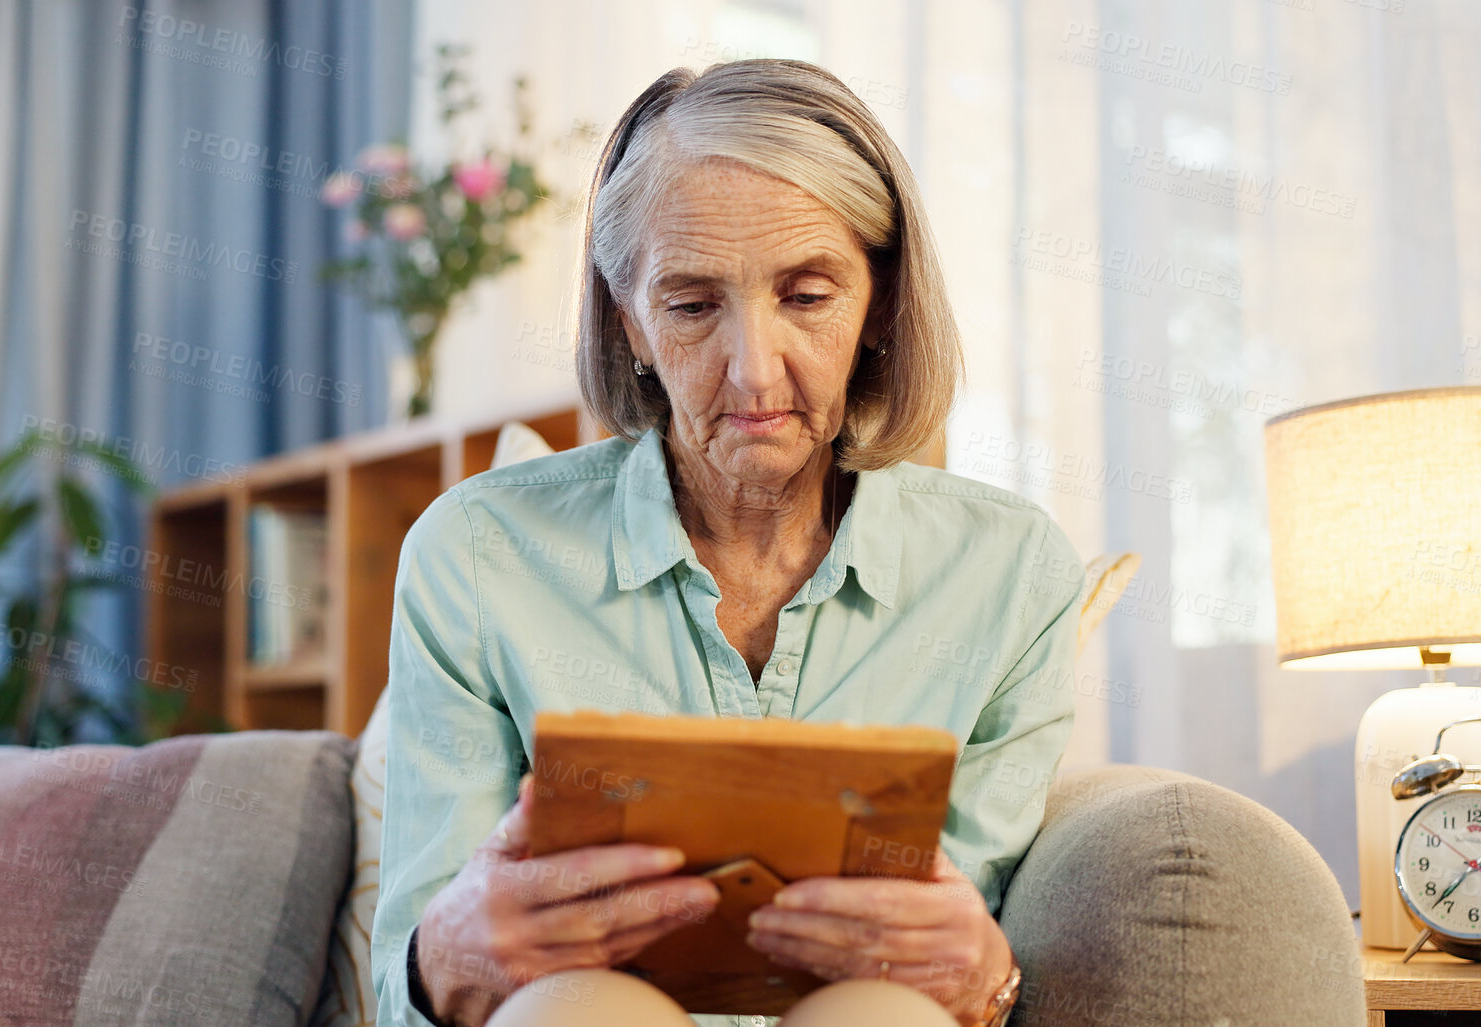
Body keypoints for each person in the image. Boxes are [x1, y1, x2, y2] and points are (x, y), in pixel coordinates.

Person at [372, 58, 1084, 1027]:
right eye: (694, 305)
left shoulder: (1008, 572)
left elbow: (958, 962)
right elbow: (408, 987)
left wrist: (984, 976)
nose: (754, 372)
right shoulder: (475, 553)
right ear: (630, 322)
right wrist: (448, 955)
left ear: (878, 299)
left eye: (807, 294)